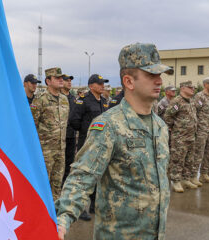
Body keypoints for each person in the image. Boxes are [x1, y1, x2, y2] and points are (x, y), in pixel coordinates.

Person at [56, 42, 173, 240]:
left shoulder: (160, 126)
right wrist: (63, 218)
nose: (159, 81)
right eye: (151, 75)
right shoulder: (108, 125)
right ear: (129, 81)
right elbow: (82, 176)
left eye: (160, 75)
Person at [69, 73, 109, 220]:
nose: (102, 86)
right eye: (99, 83)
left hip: (101, 144)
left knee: (98, 175)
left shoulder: (104, 101)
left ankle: (94, 205)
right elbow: (74, 120)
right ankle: (80, 209)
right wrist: (86, 131)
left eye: (103, 83)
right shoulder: (83, 101)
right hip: (87, 143)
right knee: (84, 176)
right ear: (91, 86)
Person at [30, 67, 69, 201]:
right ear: (48, 81)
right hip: (45, 152)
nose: (60, 80)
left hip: (60, 151)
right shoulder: (40, 100)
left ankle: (54, 215)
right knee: (42, 186)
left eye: (61, 78)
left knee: (57, 186)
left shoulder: (64, 99)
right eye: (57, 78)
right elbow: (32, 126)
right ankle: (41, 216)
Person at [164, 81, 197, 192]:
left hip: (191, 136)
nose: (193, 89)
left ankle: (185, 179)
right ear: (182, 88)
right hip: (180, 137)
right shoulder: (177, 102)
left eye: (193, 87)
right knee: (177, 160)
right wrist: (175, 129)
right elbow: (168, 116)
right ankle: (176, 181)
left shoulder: (191, 101)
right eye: (190, 87)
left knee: (189, 160)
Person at [193, 77, 209, 184]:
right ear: (205, 84)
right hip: (201, 130)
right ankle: (193, 176)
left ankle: (204, 174)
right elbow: (194, 112)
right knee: (198, 153)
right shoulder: (199, 96)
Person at [60, 74, 77, 184]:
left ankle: (65, 186)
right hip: (60, 137)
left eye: (70, 80)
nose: (69, 82)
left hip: (71, 135)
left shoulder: (73, 98)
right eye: (67, 80)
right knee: (60, 164)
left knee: (69, 163)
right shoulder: (59, 97)